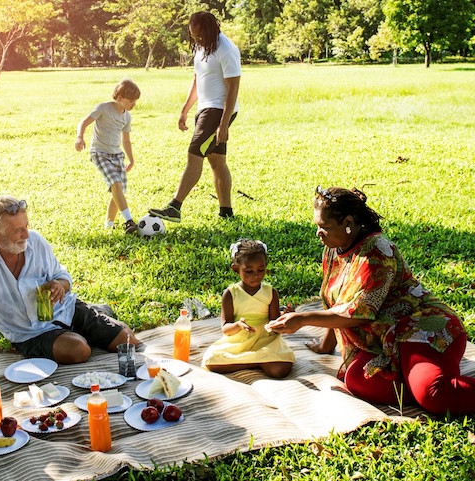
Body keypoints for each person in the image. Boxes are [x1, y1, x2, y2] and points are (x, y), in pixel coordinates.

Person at [267, 186, 475, 415]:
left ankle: (428, 386)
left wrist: (302, 319)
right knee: (356, 378)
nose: (318, 233)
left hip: (421, 328)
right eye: (317, 226)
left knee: (433, 395)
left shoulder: (376, 251)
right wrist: (325, 346)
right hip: (383, 340)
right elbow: (336, 301)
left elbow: (358, 312)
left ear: (348, 222)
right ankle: (420, 381)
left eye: (324, 227)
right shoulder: (334, 248)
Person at [0, 195, 138, 387]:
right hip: (30, 333)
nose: (26, 234)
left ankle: (94, 315)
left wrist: (59, 285)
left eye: (26, 226)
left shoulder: (35, 242)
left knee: (129, 342)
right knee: (80, 350)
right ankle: (91, 322)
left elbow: (63, 276)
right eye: (17, 231)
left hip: (66, 309)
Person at [149, 11, 241, 222]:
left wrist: (224, 123)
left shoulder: (226, 49)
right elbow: (198, 79)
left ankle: (175, 206)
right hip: (205, 109)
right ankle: (226, 213)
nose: (197, 39)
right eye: (193, 36)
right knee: (217, 162)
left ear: (210, 29)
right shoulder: (202, 47)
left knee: (194, 153)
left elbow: (233, 87)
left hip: (219, 110)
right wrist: (185, 109)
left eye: (200, 35)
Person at [201, 239, 294, 378]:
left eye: (261, 270)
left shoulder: (270, 292)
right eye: (249, 271)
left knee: (280, 369)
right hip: (239, 340)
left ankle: (251, 360)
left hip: (265, 339)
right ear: (235, 268)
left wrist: (284, 317)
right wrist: (238, 325)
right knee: (211, 361)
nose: (256, 275)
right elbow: (226, 328)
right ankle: (257, 362)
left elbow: (274, 322)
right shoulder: (231, 294)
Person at [75, 79, 141, 234]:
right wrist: (79, 137)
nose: (134, 104)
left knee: (117, 191)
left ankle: (109, 226)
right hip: (99, 152)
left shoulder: (127, 117)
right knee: (116, 183)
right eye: (131, 101)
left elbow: (126, 140)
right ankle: (129, 221)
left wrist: (131, 159)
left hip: (117, 155)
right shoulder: (103, 108)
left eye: (135, 101)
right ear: (119, 98)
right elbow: (84, 122)